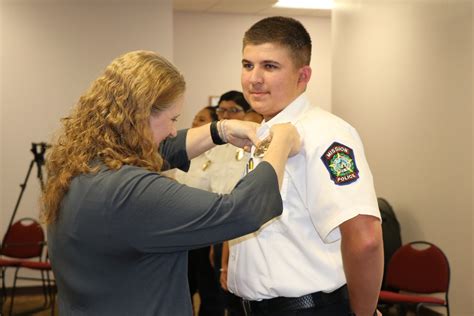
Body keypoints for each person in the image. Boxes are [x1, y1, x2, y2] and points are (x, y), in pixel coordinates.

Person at [40, 50, 301, 316]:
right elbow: (241, 210)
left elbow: (160, 150)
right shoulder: (130, 192)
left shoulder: (81, 164)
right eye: (173, 119)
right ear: (141, 115)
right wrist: (280, 143)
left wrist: (220, 130)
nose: (174, 130)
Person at [226, 17, 384, 316]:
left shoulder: (324, 134)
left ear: (303, 75)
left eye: (270, 66)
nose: (254, 79)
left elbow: (365, 239)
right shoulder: (263, 133)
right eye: (248, 65)